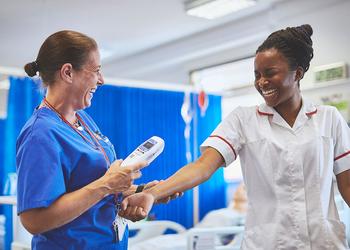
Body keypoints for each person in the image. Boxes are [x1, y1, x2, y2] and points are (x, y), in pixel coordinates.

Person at [120, 24, 350, 249]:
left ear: (297, 73)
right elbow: (202, 167)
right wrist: (152, 194)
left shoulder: (328, 119)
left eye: (270, 73)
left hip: (324, 242)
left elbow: (347, 187)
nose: (261, 82)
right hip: (269, 243)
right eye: (257, 75)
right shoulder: (243, 119)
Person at [16, 30, 178, 250]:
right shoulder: (41, 133)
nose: (101, 80)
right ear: (67, 72)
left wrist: (139, 192)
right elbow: (34, 220)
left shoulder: (83, 120)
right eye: (96, 71)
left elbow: (88, 189)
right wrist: (107, 184)